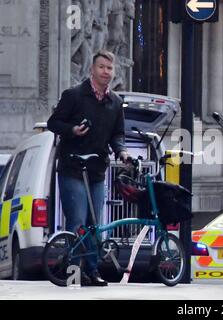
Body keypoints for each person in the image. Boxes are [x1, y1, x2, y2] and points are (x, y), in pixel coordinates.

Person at [47, 50, 129, 286]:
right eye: (102, 67)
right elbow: (54, 122)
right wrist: (72, 130)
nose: (106, 72)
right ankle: (74, 271)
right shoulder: (74, 95)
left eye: (109, 68)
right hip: (72, 167)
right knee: (78, 221)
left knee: (96, 224)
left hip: (96, 170)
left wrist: (121, 150)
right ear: (92, 69)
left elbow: (118, 134)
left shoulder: (115, 102)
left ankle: (92, 271)